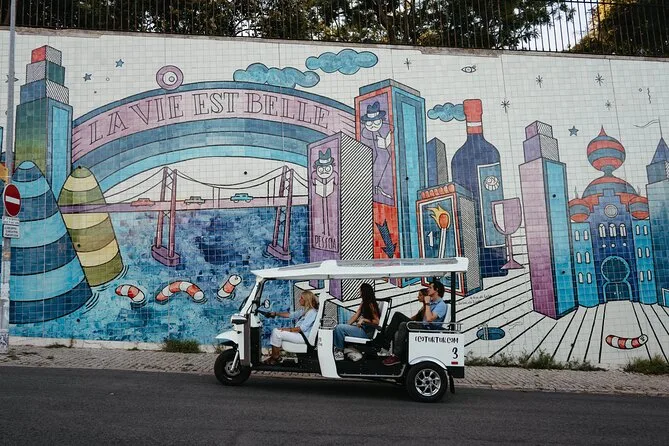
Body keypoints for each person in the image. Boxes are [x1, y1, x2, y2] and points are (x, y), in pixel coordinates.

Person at [382, 280, 448, 366]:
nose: (428, 289)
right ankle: (385, 343)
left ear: (437, 290)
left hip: (428, 329)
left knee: (403, 325)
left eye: (430, 288)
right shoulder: (431, 302)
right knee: (397, 315)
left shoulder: (441, 305)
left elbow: (429, 319)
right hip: (422, 325)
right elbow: (420, 317)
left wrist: (427, 303)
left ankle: (396, 355)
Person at [263, 290, 319, 365]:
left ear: (306, 300)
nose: (299, 300)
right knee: (276, 331)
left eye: (301, 298)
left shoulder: (312, 312)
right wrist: (276, 314)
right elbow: (291, 315)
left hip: (303, 337)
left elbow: (301, 328)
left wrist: (287, 329)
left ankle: (275, 357)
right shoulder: (305, 311)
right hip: (300, 335)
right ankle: (275, 357)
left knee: (276, 332)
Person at [332, 283, 380, 361]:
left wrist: (364, 319)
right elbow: (356, 316)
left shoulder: (371, 304)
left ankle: (339, 351)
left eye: (360, 291)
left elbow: (377, 321)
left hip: (366, 333)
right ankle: (341, 350)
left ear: (364, 292)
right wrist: (346, 326)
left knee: (339, 328)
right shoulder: (364, 302)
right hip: (361, 329)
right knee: (340, 328)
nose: (359, 292)